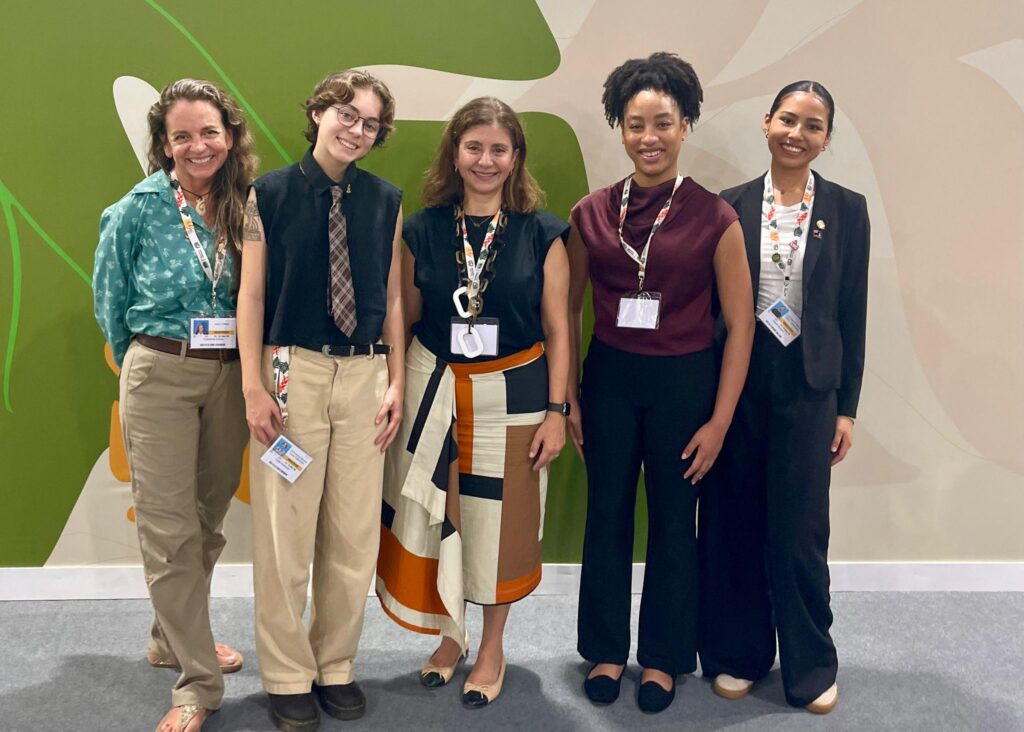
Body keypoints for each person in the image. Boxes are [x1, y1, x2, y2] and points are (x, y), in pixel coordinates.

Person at [566, 52, 755, 713]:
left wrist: (720, 420)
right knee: (607, 516)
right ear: (619, 128)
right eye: (636, 123)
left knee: (676, 521)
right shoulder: (590, 213)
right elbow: (566, 309)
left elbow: (741, 324)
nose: (650, 138)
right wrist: (569, 397)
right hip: (610, 380)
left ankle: (666, 659)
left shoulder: (716, 217)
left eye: (664, 124)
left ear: (686, 126)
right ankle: (607, 651)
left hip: (686, 384)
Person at [375, 97, 570, 709]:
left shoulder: (545, 232)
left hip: (514, 397)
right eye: (474, 148)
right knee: (438, 518)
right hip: (434, 387)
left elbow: (561, 328)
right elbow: (400, 316)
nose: (486, 161)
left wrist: (558, 413)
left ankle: (490, 647)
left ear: (515, 160)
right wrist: (393, 388)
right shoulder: (423, 229)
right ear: (455, 154)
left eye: (499, 150)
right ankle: (448, 637)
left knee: (499, 529)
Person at [236, 70, 404, 731]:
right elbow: (250, 297)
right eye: (347, 113)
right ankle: (285, 673)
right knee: (286, 534)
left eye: (371, 123)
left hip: (363, 375)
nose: (357, 129)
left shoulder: (386, 199)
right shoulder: (268, 193)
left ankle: (335, 664)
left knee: (354, 532)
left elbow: (391, 296)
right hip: (290, 373)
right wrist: (253, 384)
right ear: (317, 111)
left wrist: (395, 379)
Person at [697, 80, 870, 715]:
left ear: (826, 139)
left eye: (813, 125)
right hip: (738, 381)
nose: (797, 133)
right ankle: (740, 655)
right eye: (788, 119)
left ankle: (810, 665)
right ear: (766, 123)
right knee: (736, 517)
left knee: (799, 531)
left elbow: (854, 313)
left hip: (809, 386)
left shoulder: (848, 210)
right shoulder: (729, 205)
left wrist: (847, 406)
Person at [93, 78, 257, 732]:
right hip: (160, 371)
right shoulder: (133, 210)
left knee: (207, 519)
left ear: (229, 135)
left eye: (208, 132)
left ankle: (170, 636)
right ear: (163, 144)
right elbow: (110, 308)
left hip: (231, 377)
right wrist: (146, 360)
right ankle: (197, 683)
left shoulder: (247, 205)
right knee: (167, 529)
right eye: (181, 135)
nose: (197, 146)